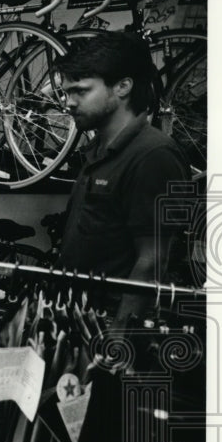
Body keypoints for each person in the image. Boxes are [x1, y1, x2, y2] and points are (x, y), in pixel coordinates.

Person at [54, 31, 190, 325]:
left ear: (123, 86)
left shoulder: (154, 155)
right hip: (82, 317)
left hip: (113, 324)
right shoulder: (98, 149)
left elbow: (153, 261)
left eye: (81, 91)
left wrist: (119, 337)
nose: (69, 103)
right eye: (66, 93)